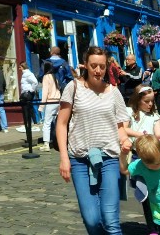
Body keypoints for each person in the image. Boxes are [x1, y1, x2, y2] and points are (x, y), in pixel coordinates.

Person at [56, 46, 130, 234]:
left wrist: (125, 141)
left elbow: (120, 126)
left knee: (111, 220)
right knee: (91, 220)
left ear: (107, 67)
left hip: (109, 158)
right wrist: (64, 158)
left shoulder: (114, 92)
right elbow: (62, 124)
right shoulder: (73, 87)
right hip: (80, 158)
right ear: (86, 65)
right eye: (94, 65)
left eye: (102, 66)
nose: (98, 70)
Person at [39, 60, 61, 152]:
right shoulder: (54, 76)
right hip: (58, 101)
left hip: (50, 101)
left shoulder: (46, 77)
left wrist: (41, 106)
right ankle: (59, 141)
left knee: (47, 123)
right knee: (57, 123)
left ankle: (46, 144)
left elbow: (45, 92)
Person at [17, 61, 40, 133]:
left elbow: (35, 82)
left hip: (27, 94)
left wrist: (31, 90)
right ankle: (32, 124)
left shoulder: (27, 74)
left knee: (26, 109)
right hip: (27, 93)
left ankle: (28, 125)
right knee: (29, 109)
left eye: (20, 67)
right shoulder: (25, 74)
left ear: (23, 67)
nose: (19, 68)